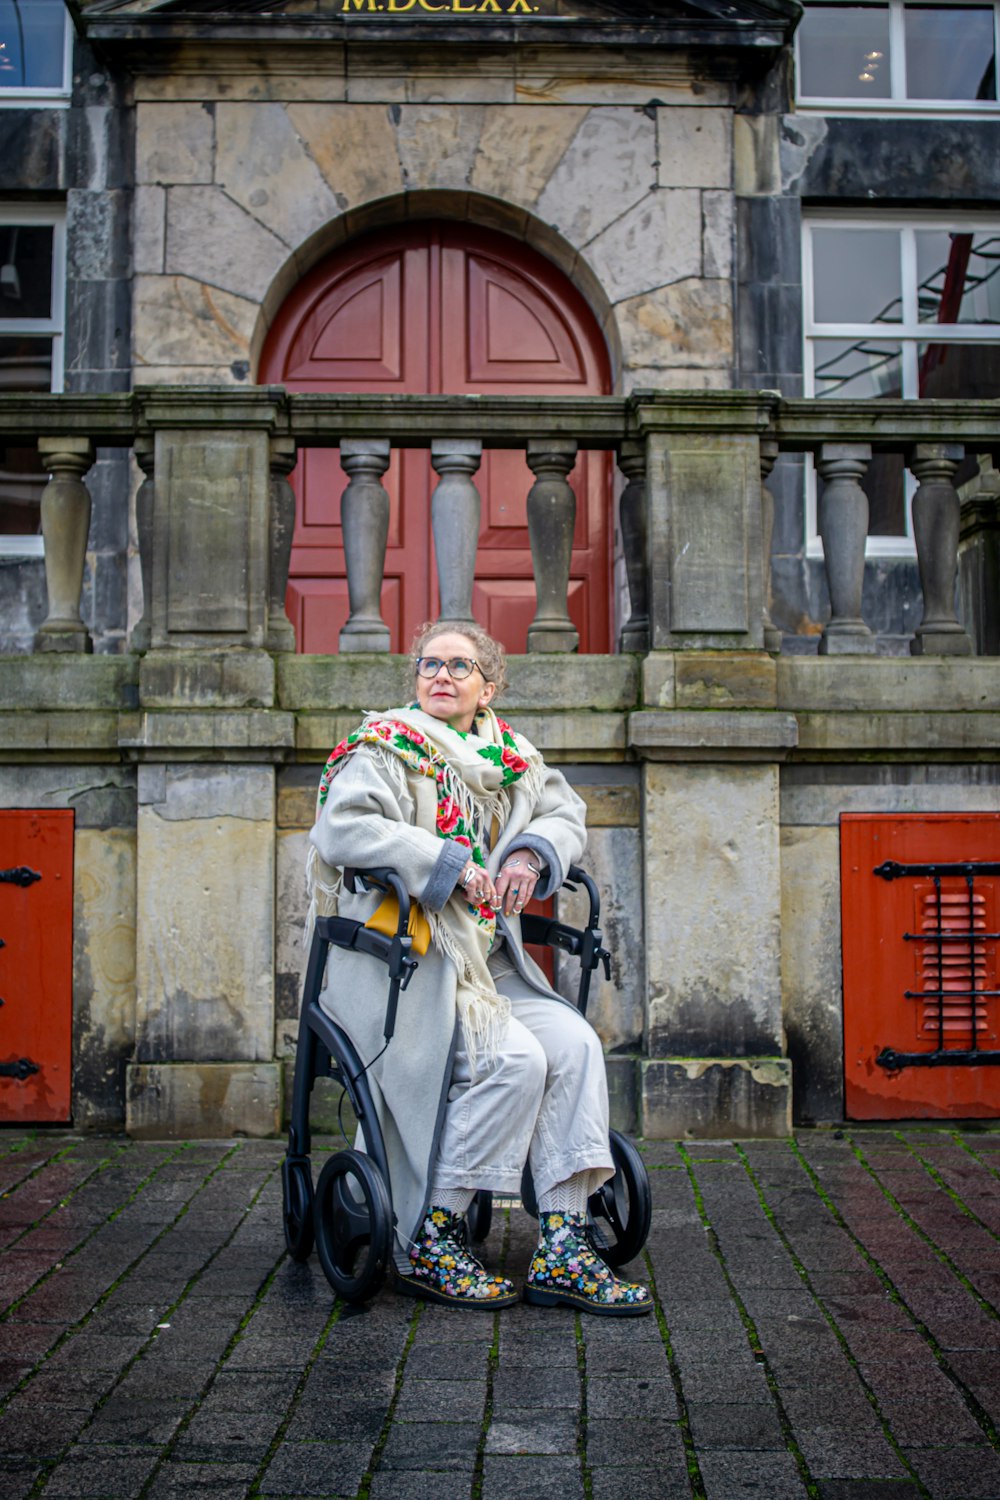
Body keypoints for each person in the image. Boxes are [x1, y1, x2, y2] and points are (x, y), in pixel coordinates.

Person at [307, 619, 650, 1317]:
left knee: (576, 1045)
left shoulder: (509, 756)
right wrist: (448, 865)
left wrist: (528, 854)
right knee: (517, 1058)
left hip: (485, 967)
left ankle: (562, 1246)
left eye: (459, 667)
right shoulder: (383, 749)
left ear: (488, 686)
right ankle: (433, 1235)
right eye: (429, 664)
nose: (439, 675)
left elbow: (565, 812)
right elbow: (343, 829)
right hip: (403, 965)